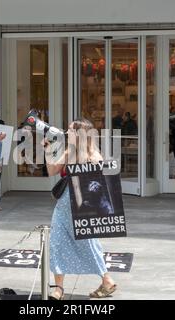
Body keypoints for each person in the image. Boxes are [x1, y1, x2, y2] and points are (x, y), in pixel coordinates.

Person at [45, 118, 117, 300]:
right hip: (64, 206)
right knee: (57, 243)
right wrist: (48, 150)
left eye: (70, 130)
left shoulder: (94, 156)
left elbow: (99, 187)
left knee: (89, 244)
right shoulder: (71, 151)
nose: (67, 132)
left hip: (81, 208)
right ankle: (58, 288)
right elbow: (52, 170)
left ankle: (106, 279)